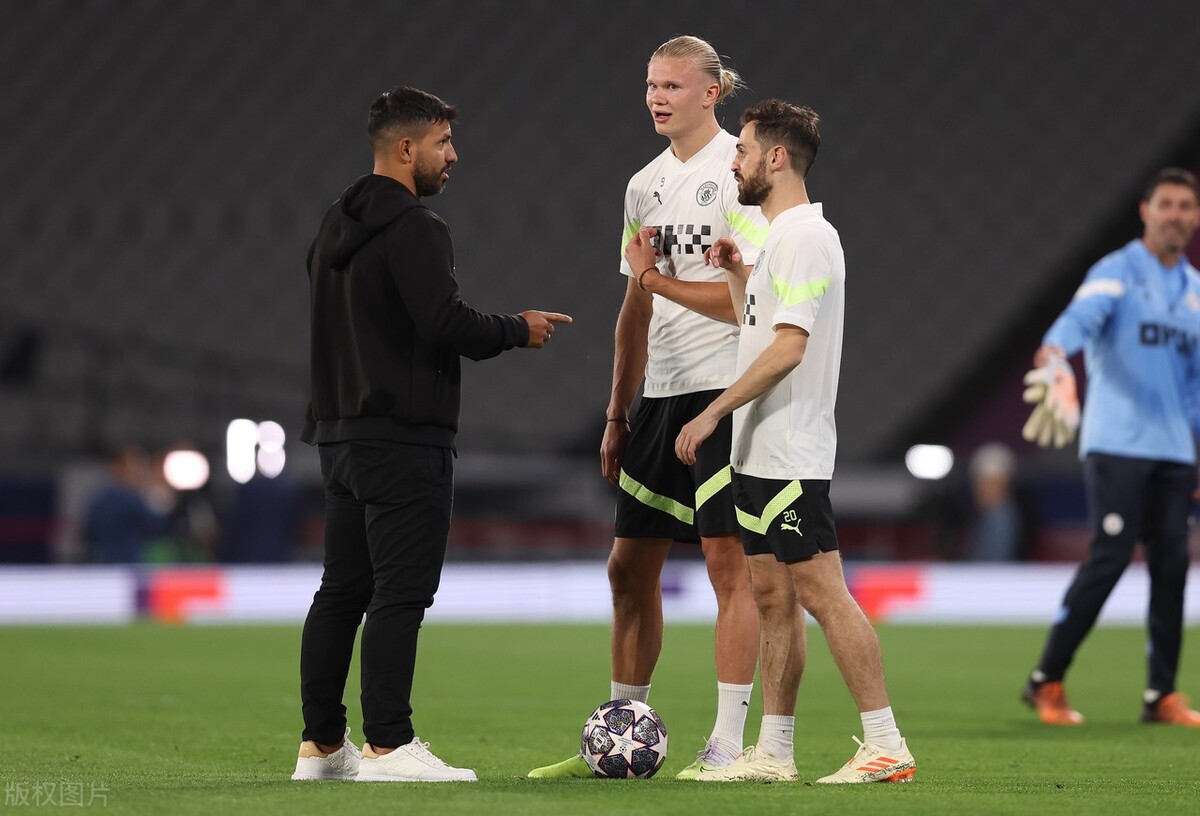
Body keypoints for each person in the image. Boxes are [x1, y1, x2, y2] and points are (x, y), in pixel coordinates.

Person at [291, 84, 572, 783]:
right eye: (443, 142)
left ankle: (321, 747)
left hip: (339, 436)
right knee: (400, 593)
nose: (454, 155)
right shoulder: (417, 227)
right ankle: (388, 745)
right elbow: (444, 323)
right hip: (403, 438)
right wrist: (518, 329)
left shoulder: (332, 224)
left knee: (340, 592)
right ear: (406, 147)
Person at [527, 35, 765, 781]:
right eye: (651, 85)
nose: (657, 97)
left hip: (724, 391)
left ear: (710, 92)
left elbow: (749, 306)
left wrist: (655, 281)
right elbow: (634, 308)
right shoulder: (643, 186)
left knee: (729, 566)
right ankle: (617, 732)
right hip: (659, 399)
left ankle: (727, 745)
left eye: (672, 85)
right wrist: (616, 412)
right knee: (628, 569)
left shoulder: (739, 174)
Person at [671, 99, 916, 783]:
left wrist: (711, 412)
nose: (734, 161)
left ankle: (886, 743)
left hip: (788, 453)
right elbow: (762, 326)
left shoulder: (807, 236)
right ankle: (773, 752)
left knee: (823, 593)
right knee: (774, 601)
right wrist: (737, 274)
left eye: (744, 150)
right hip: (758, 452)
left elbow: (789, 348)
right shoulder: (777, 239)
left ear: (776, 158)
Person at [1021, 167, 1200, 728]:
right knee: (1111, 558)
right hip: (1117, 444)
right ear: (1146, 211)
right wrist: (1055, 356)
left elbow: (1195, 386)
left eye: (1186, 206)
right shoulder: (1117, 271)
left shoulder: (1195, 290)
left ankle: (1161, 694)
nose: (1176, 215)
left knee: (1173, 568)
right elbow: (1076, 321)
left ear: (1196, 218)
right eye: (1166, 204)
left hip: (1176, 452)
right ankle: (1046, 680)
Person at [81, 444, 165, 563]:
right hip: (128, 565)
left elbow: (88, 534)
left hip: (103, 564)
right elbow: (158, 526)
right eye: (135, 466)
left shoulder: (98, 498)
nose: (138, 472)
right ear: (119, 468)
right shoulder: (130, 499)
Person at [964, 442, 1022, 562]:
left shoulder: (1002, 518)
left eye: (989, 483)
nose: (980, 489)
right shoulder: (988, 514)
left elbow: (992, 564)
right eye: (979, 482)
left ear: (1004, 484)